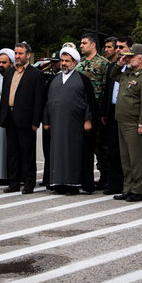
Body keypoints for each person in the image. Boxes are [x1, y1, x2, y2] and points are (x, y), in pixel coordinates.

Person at [44, 46, 96, 195]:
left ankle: (72, 184)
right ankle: (58, 183)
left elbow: (88, 102)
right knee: (57, 154)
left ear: (74, 62)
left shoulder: (82, 79)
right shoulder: (54, 80)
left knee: (73, 154)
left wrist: (88, 119)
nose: (64, 63)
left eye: (67, 61)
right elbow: (47, 102)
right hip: (56, 125)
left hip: (75, 126)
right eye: (62, 60)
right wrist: (46, 121)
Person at [110, 43, 142, 202]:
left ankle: (137, 190)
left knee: (136, 159)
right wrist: (120, 63)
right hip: (122, 121)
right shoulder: (127, 73)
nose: (127, 59)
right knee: (126, 159)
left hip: (134, 123)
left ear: (140, 59)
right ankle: (127, 188)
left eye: (131, 57)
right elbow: (113, 75)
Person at [0, 42, 44, 194]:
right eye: (16, 53)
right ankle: (14, 183)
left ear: (28, 55)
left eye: (20, 53)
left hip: (26, 119)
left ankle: (29, 183)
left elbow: (38, 100)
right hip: (10, 118)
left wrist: (36, 121)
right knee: (12, 152)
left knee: (27, 153)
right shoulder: (9, 72)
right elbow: (5, 95)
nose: (17, 56)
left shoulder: (36, 74)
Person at [76, 34, 109, 190]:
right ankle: (85, 177)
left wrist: (103, 113)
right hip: (81, 111)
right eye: (81, 43)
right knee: (84, 147)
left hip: (97, 109)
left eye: (84, 43)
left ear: (93, 45)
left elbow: (105, 88)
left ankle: (105, 177)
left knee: (101, 147)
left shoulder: (103, 63)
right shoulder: (79, 64)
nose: (81, 46)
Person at [100, 36, 133, 195]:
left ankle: (130, 184)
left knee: (127, 152)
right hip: (112, 111)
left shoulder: (134, 68)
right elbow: (108, 91)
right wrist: (105, 113)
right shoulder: (113, 67)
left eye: (122, 47)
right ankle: (114, 183)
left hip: (128, 113)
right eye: (117, 48)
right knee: (112, 150)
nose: (118, 50)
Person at [0, 48, 15, 185]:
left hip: (10, 116)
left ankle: (10, 175)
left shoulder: (14, 76)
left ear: (11, 63)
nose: (0, 65)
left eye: (4, 62)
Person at [39, 51, 61, 188]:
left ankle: (55, 177)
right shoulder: (46, 74)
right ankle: (47, 177)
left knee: (57, 150)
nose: (53, 64)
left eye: (56, 62)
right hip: (48, 117)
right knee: (47, 150)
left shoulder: (63, 77)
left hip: (59, 119)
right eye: (51, 61)